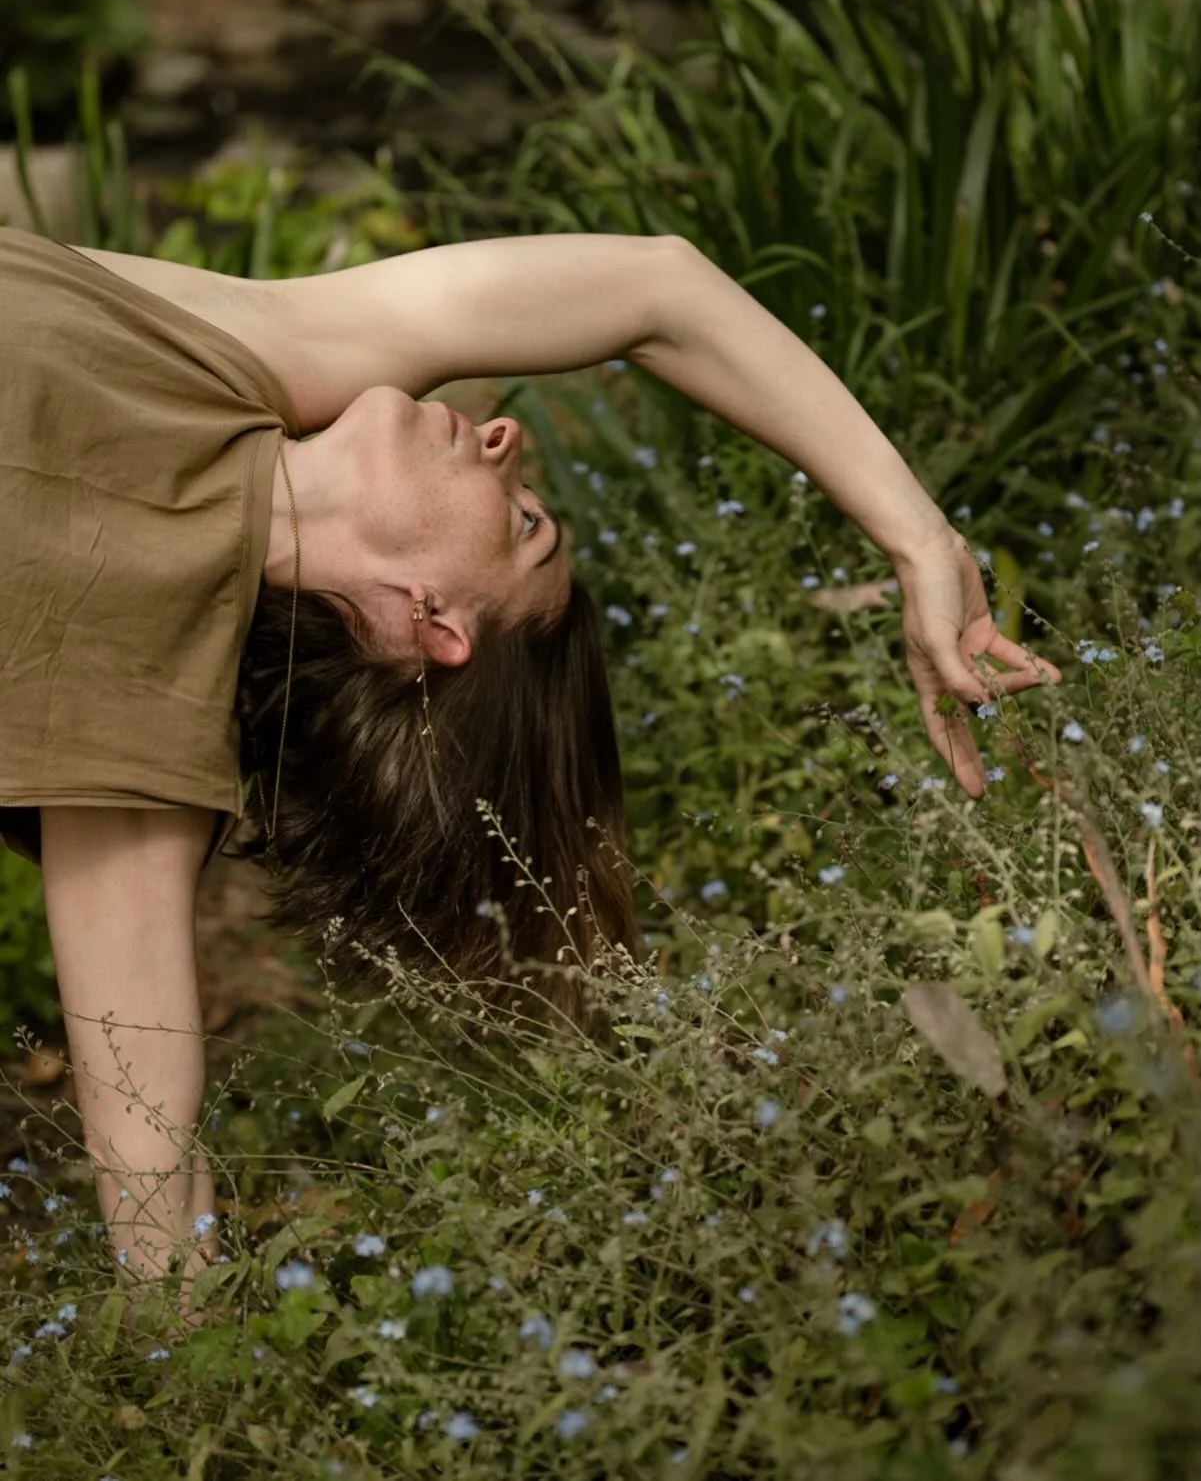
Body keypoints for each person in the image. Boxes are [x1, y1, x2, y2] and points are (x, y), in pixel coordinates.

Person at [0, 225, 1061, 1314]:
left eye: (522, 525)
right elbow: (655, 288)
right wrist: (925, 544)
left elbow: (151, 1173)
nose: (503, 434)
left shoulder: (135, 721)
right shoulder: (250, 352)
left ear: (437, 624)